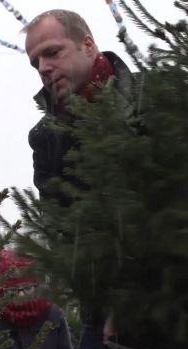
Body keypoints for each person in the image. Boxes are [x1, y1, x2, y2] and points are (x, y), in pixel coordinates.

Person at [23, 9, 139, 208]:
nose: (43, 68)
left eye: (52, 53)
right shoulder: (44, 138)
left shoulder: (153, 93)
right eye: (36, 64)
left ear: (87, 46)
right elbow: (55, 226)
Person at [0, 248, 75, 349]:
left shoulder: (52, 314)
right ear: (1, 290)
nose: (21, 295)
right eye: (12, 290)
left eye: (27, 288)